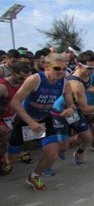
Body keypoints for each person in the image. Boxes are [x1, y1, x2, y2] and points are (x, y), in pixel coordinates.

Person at [5, 53, 75, 191]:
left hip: (44, 118)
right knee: (11, 160)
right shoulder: (34, 80)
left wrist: (71, 109)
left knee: (52, 154)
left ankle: (34, 176)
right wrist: (30, 122)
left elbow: (71, 104)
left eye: (64, 69)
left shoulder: (65, 84)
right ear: (46, 67)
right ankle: (8, 158)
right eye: (57, 68)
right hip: (25, 120)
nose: (61, 72)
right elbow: (15, 102)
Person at [0, 62, 32, 175]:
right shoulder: (3, 86)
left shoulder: (25, 84)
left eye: (26, 77)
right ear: (13, 73)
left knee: (28, 134)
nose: (23, 80)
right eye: (21, 77)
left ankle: (10, 157)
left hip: (13, 116)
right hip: (2, 118)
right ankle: (4, 160)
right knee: (7, 139)